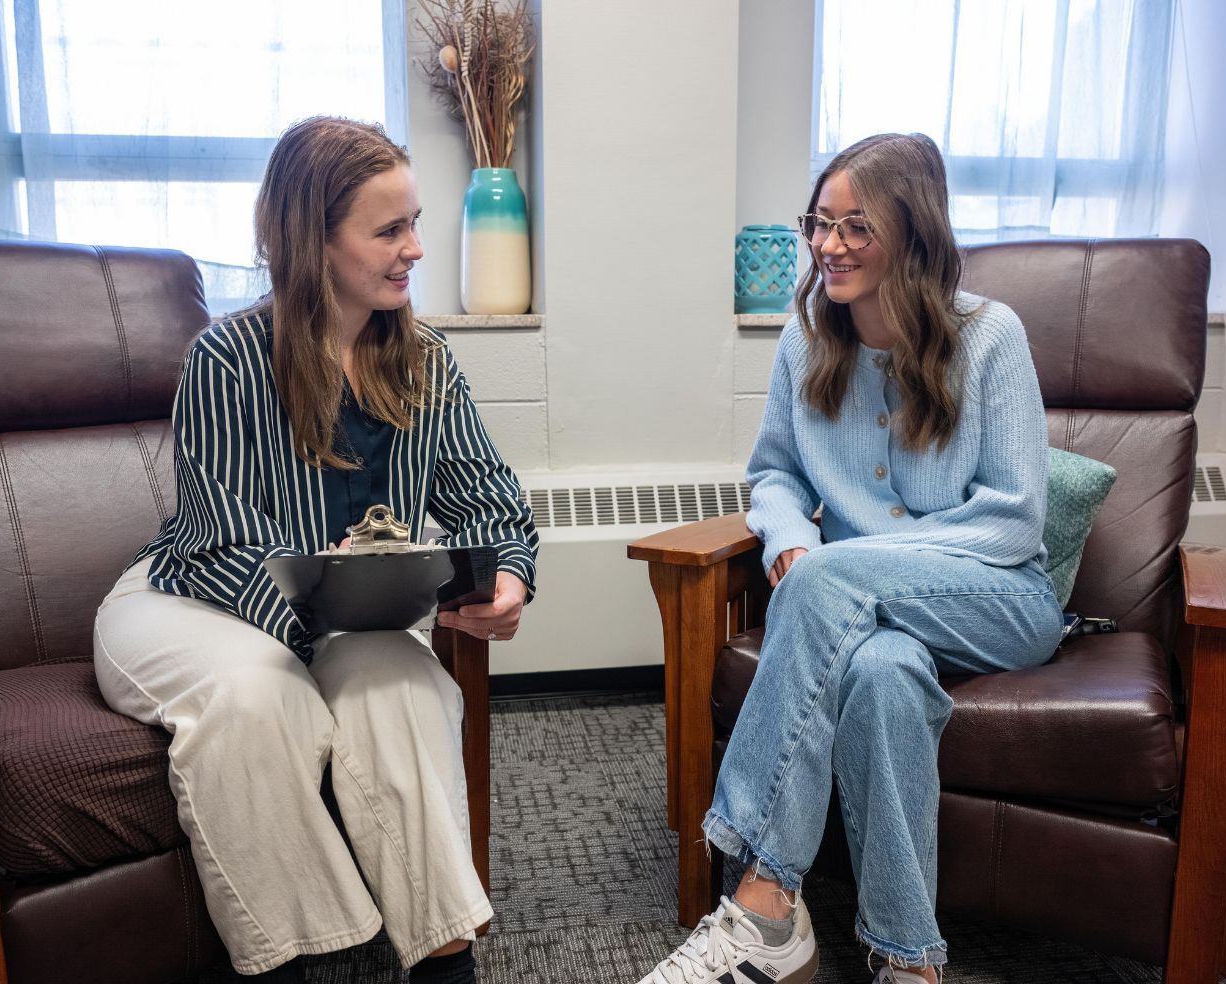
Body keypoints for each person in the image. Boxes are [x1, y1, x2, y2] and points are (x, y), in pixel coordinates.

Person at [93, 116, 538, 984]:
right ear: (314, 238)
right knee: (261, 699)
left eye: (415, 222)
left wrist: (508, 577)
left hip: (341, 620)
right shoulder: (225, 356)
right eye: (388, 230)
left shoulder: (428, 363)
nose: (414, 248)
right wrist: (330, 623)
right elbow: (218, 541)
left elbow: (494, 502)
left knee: (405, 692)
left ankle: (447, 966)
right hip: (187, 603)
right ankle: (301, 961)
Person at [636, 132, 1063, 984]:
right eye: (820, 224)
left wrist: (845, 564)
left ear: (914, 232)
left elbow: (1014, 522)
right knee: (881, 675)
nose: (829, 246)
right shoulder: (806, 338)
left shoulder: (992, 338)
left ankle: (762, 898)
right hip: (865, 617)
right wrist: (795, 539)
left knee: (835, 579)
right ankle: (909, 960)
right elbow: (775, 476)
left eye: (856, 227)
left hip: (998, 599)